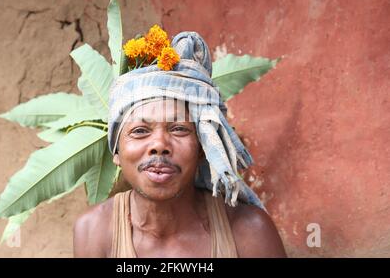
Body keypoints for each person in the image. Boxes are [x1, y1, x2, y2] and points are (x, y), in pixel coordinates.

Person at [73, 32, 286, 258]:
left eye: (179, 129)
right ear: (116, 150)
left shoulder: (249, 232)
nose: (159, 144)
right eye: (140, 131)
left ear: (203, 148)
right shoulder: (94, 232)